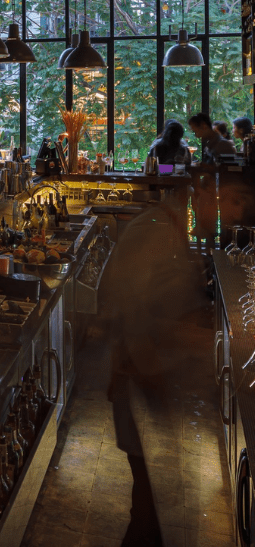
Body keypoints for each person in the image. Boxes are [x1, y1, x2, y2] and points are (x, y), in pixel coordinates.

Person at [100, 185, 205, 546]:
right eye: (233, 202)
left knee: (150, 506)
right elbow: (131, 312)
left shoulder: (171, 231)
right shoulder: (154, 231)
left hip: (151, 386)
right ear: (195, 199)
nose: (236, 215)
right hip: (142, 385)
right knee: (146, 511)